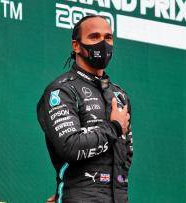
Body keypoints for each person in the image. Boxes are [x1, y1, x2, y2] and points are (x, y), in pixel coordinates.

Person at [37, 15, 133, 203]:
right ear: (76, 45)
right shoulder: (62, 90)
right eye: (94, 37)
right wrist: (113, 127)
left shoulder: (120, 96)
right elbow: (70, 147)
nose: (103, 44)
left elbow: (125, 155)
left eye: (108, 38)